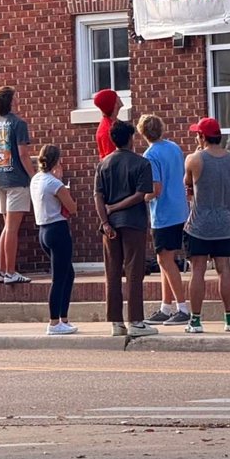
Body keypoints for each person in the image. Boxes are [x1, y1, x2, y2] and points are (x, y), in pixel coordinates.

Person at [94, 121, 157, 338]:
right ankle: (136, 321)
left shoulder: (103, 164)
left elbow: (98, 196)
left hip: (109, 225)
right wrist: (116, 207)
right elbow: (141, 195)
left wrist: (105, 221)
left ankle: (116, 322)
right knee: (134, 271)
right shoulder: (142, 164)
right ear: (131, 138)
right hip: (133, 223)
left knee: (112, 272)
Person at [183, 117, 230, 333]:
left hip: (199, 223)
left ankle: (195, 321)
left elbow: (187, 183)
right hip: (224, 222)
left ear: (202, 136)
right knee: (224, 270)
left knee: (197, 271)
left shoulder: (194, 159)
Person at [138, 115, 190, 326]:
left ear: (143, 134)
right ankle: (165, 306)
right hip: (180, 209)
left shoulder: (150, 155)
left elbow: (155, 189)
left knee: (165, 260)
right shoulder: (174, 147)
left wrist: (142, 195)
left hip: (164, 213)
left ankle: (182, 307)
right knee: (165, 260)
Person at [0, 85, 34, 284]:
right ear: (11, 101)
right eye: (16, 97)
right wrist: (34, 176)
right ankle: (11, 272)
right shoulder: (18, 124)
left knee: (6, 227)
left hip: (0, 177)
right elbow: (23, 154)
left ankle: (2, 270)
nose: (18, 100)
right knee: (12, 228)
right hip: (16, 180)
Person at [30, 145, 78, 335]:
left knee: (69, 274)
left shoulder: (36, 179)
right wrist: (60, 181)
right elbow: (72, 207)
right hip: (58, 229)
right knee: (59, 278)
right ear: (56, 161)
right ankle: (54, 322)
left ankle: (63, 318)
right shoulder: (53, 183)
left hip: (43, 229)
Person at [93, 89, 122, 159]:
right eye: (116, 96)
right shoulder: (107, 130)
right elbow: (111, 160)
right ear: (114, 103)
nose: (119, 97)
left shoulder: (113, 123)